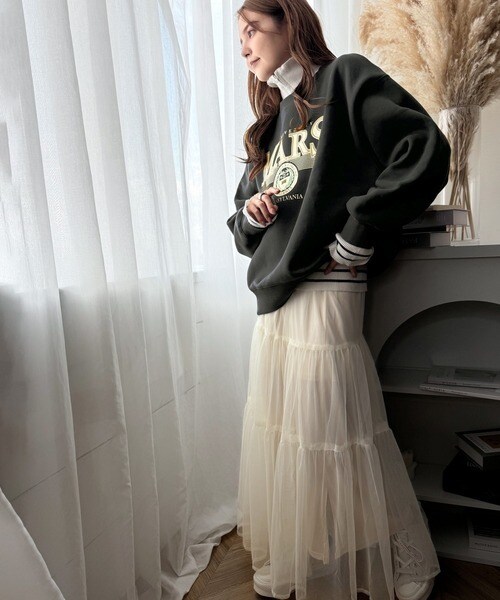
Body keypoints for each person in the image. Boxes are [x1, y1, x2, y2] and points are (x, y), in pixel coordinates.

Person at [226, 1, 451, 599]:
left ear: (289, 22)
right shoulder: (269, 122)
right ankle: (302, 553)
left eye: (252, 30)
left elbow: (424, 148)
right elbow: (241, 223)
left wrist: (359, 232)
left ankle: (403, 558)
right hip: (275, 291)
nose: (243, 46)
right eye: (238, 36)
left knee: (340, 422)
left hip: (329, 282)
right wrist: (252, 214)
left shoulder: (345, 79)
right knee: (288, 428)